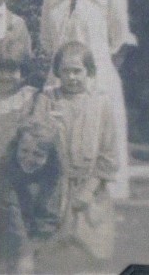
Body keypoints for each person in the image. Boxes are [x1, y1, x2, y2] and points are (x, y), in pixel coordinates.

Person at [40, 0, 135, 199]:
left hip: (97, 80)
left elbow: (120, 43)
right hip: (59, 78)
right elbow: (48, 39)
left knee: (97, 139)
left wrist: (99, 77)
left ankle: (104, 201)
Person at [32, 41, 117, 273]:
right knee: (52, 256)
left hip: (90, 193)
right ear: (57, 71)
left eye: (77, 70)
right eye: (66, 71)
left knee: (90, 258)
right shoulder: (47, 100)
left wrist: (89, 189)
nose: (71, 77)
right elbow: (34, 142)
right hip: (52, 189)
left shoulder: (101, 104)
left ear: (88, 71)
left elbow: (108, 155)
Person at [0, 120, 63, 274]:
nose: (28, 158)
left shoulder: (53, 177)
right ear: (16, 148)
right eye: (24, 151)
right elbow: (11, 215)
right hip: (5, 236)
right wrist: (25, 254)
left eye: (38, 154)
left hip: (39, 240)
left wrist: (34, 250)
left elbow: (50, 219)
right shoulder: (5, 171)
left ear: (50, 157)